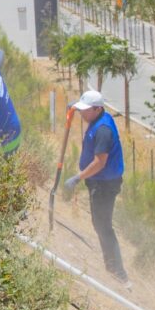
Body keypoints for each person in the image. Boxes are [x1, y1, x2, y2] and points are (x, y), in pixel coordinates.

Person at [63, 90, 130, 287]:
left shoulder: (103, 130)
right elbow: (79, 106)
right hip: (98, 181)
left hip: (105, 184)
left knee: (103, 225)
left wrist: (77, 178)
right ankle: (112, 266)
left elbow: (100, 162)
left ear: (97, 109)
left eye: (85, 111)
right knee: (99, 223)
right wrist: (73, 108)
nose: (82, 114)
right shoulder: (97, 115)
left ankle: (118, 272)